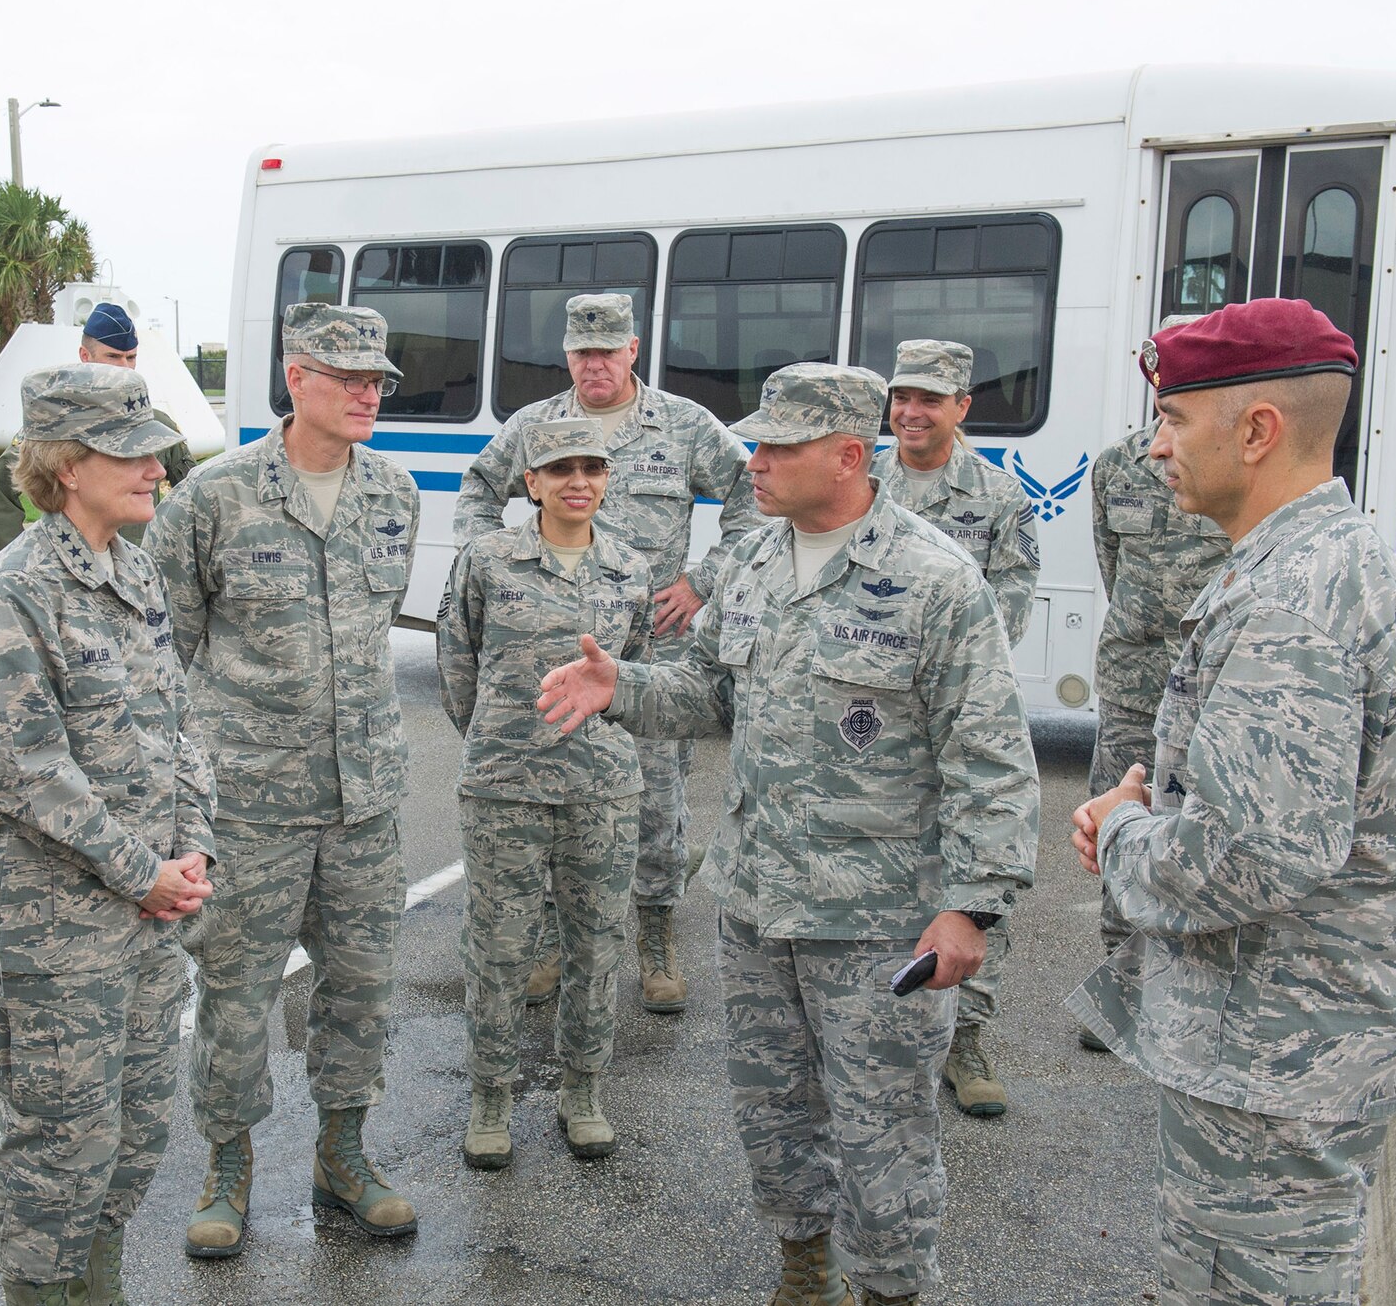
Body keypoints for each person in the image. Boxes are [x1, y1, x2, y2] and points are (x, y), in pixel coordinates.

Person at [539, 363, 1039, 1306]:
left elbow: (992, 756)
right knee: (775, 1122)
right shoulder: (753, 563)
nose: (754, 462)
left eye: (779, 446)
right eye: (757, 442)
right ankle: (805, 1278)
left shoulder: (935, 579)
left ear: (849, 456)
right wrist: (623, 689)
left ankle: (890, 1290)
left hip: (881, 924)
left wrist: (974, 908)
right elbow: (710, 691)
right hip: (759, 906)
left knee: (883, 1137)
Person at [1066, 299, 1396, 1306]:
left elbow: (1244, 857)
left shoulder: (1292, 599)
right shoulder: (1323, 563)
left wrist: (1118, 831)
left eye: (1173, 422)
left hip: (1275, 1056)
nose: (1154, 448)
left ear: (1255, 430)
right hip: (1290, 1046)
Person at [147, 302, 421, 1259]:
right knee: (235, 993)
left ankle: (343, 1154)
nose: (367, 394)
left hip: (364, 806)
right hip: (252, 807)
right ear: (295, 379)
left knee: (362, 989)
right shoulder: (212, 499)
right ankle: (229, 1167)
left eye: (377, 379)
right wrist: (181, 807)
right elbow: (162, 659)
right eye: (346, 377)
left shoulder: (394, 492)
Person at [0, 364, 216, 1306]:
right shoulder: (11, 594)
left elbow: (180, 726)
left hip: (150, 917)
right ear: (65, 465)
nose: (154, 467)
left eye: (155, 448)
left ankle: (96, 1286)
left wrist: (195, 850)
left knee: (139, 1129)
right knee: (63, 1145)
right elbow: (24, 770)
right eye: (128, 450)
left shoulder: (134, 570)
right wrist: (144, 870)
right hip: (57, 935)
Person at [455, 291, 763, 1014]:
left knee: (655, 801)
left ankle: (655, 937)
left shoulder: (683, 425)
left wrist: (702, 581)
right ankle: (557, 941)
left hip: (651, 655)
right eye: (582, 352)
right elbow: (477, 488)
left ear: (632, 351)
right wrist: (490, 560)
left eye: (609, 350)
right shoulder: (537, 426)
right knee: (557, 798)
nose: (596, 364)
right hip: (553, 660)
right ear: (567, 355)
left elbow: (751, 501)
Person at [437, 417, 654, 1170]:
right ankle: (491, 1096)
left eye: (592, 467)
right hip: (505, 787)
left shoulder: (632, 566)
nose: (579, 481)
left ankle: (583, 1090)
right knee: (498, 949)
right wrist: (498, 738)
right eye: (561, 468)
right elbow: (455, 660)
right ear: (530, 482)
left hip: (602, 788)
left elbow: (638, 674)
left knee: (596, 948)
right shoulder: (488, 559)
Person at [869, 337, 1039, 1118]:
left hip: (960, 712)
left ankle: (967, 1040)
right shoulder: (863, 481)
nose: (910, 411)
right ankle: (879, 1018)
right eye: (902, 397)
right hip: (870, 718)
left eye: (928, 399)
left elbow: (1004, 616)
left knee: (975, 871)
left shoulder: (1001, 500)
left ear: (961, 407)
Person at [1080, 314, 1229, 1053]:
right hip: (1136, 676)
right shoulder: (1116, 466)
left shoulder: (1232, 465)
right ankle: (1124, 978)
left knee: (1208, 825)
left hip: (1215, 680)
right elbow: (1110, 562)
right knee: (1122, 817)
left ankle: (1194, 982)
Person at [0, 302, 196, 553]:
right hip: (73, 565)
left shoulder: (156, 424)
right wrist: (21, 558)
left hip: (139, 571)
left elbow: (193, 495)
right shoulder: (58, 426)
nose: (124, 367)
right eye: (112, 356)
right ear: (85, 356)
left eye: (131, 357)